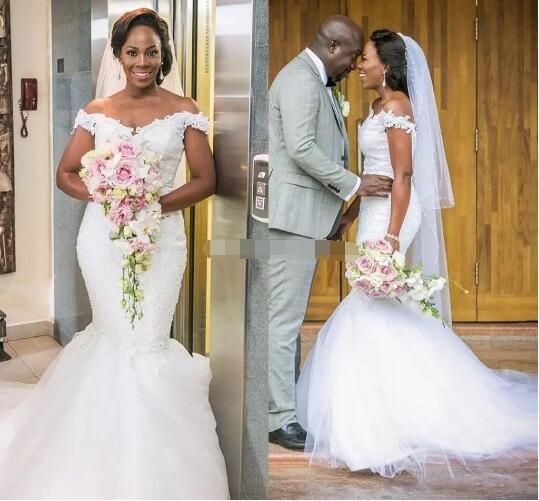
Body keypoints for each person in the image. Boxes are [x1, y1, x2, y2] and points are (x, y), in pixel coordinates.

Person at [0, 9, 229, 498]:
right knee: (114, 333)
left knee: (148, 338)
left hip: (161, 238)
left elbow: (207, 180)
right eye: (133, 52)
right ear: (118, 56)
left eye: (151, 52)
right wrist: (109, 197)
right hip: (102, 240)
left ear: (163, 56)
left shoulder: (184, 110)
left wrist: (151, 204)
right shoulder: (97, 110)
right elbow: (66, 174)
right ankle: (95, 459)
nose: (142, 62)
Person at [296, 29, 537, 477]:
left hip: (394, 215)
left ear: (386, 66)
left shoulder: (397, 107)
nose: (359, 65)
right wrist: (349, 217)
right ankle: (390, 401)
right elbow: (374, 173)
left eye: (366, 58)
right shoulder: (376, 107)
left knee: (369, 304)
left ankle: (382, 417)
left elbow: (403, 176)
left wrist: (390, 238)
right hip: (374, 211)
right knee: (382, 306)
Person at [267, 15, 394, 451]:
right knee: (283, 320)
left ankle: (284, 408)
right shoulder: (301, 80)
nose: (354, 65)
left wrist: (340, 215)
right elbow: (301, 148)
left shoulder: (314, 79)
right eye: (353, 56)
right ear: (333, 46)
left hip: (307, 218)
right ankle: (279, 418)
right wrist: (355, 183)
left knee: (288, 318)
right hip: (292, 219)